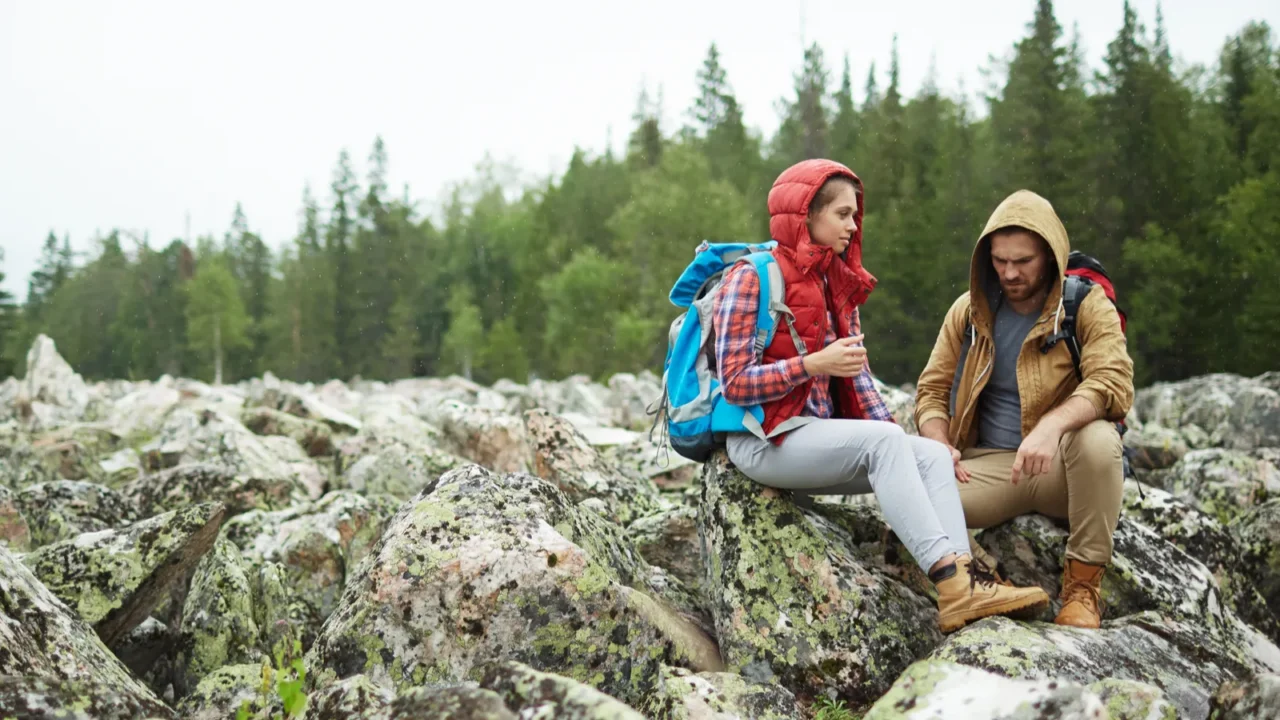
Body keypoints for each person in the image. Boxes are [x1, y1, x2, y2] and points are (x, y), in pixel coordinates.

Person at [714, 159, 1049, 634]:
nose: (854, 226)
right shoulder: (752, 277)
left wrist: (912, 448)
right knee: (884, 444)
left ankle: (964, 588)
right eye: (843, 214)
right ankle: (949, 577)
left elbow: (860, 384)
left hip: (813, 436)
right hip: (760, 440)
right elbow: (734, 382)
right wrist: (811, 365)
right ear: (807, 214)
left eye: (855, 215)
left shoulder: (835, 281)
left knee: (930, 454)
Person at [914, 189, 1135, 629]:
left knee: (1098, 439)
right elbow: (931, 391)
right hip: (988, 468)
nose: (1010, 273)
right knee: (902, 492)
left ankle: (1083, 591)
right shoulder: (968, 312)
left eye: (1023, 261)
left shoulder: (1086, 306)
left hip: (1063, 470)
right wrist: (938, 443)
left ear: (1051, 256)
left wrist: (1052, 427)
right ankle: (981, 581)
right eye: (999, 261)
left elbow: (1113, 382)